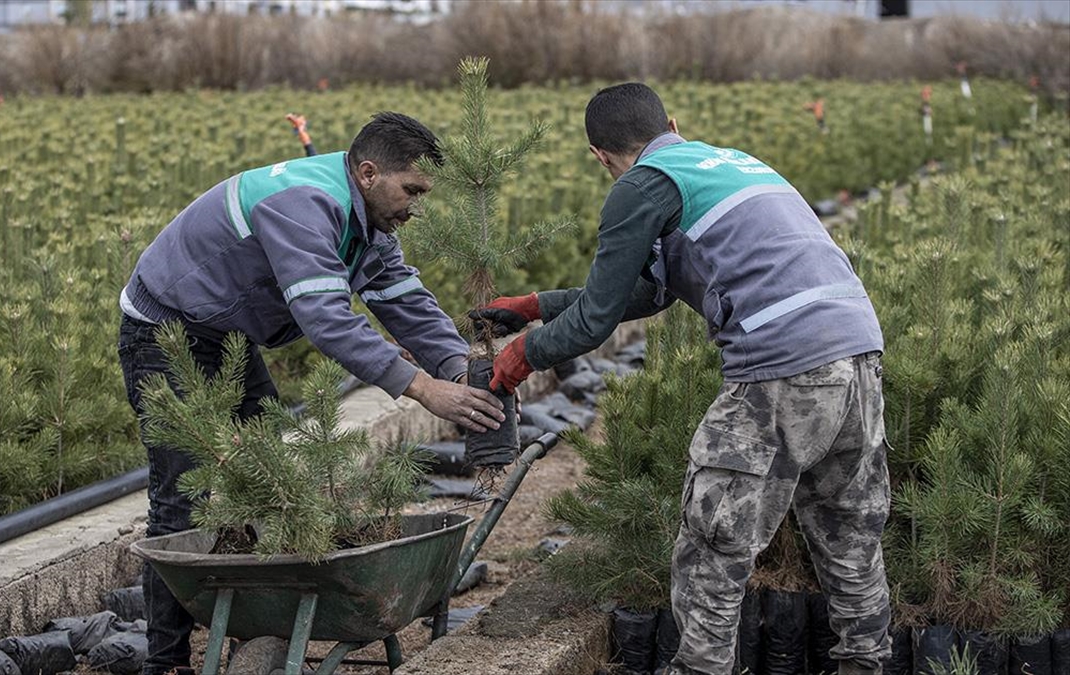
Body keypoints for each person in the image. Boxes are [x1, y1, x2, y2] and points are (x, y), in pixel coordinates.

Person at [473, 83, 890, 674]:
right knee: (851, 539)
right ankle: (866, 665)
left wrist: (521, 357)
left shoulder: (640, 185)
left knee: (713, 546)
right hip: (858, 355)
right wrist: (537, 305)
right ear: (671, 122)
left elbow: (597, 319)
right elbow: (647, 292)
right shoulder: (729, 163)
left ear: (599, 155)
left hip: (780, 366)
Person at [118, 112, 504, 675]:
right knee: (181, 494)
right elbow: (324, 316)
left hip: (224, 331)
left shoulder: (369, 221)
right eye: (412, 190)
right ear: (369, 173)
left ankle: (247, 623)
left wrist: (462, 369)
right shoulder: (302, 204)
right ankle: (166, 661)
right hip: (164, 329)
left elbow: (406, 302)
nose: (415, 205)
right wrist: (424, 389)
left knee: (271, 472)